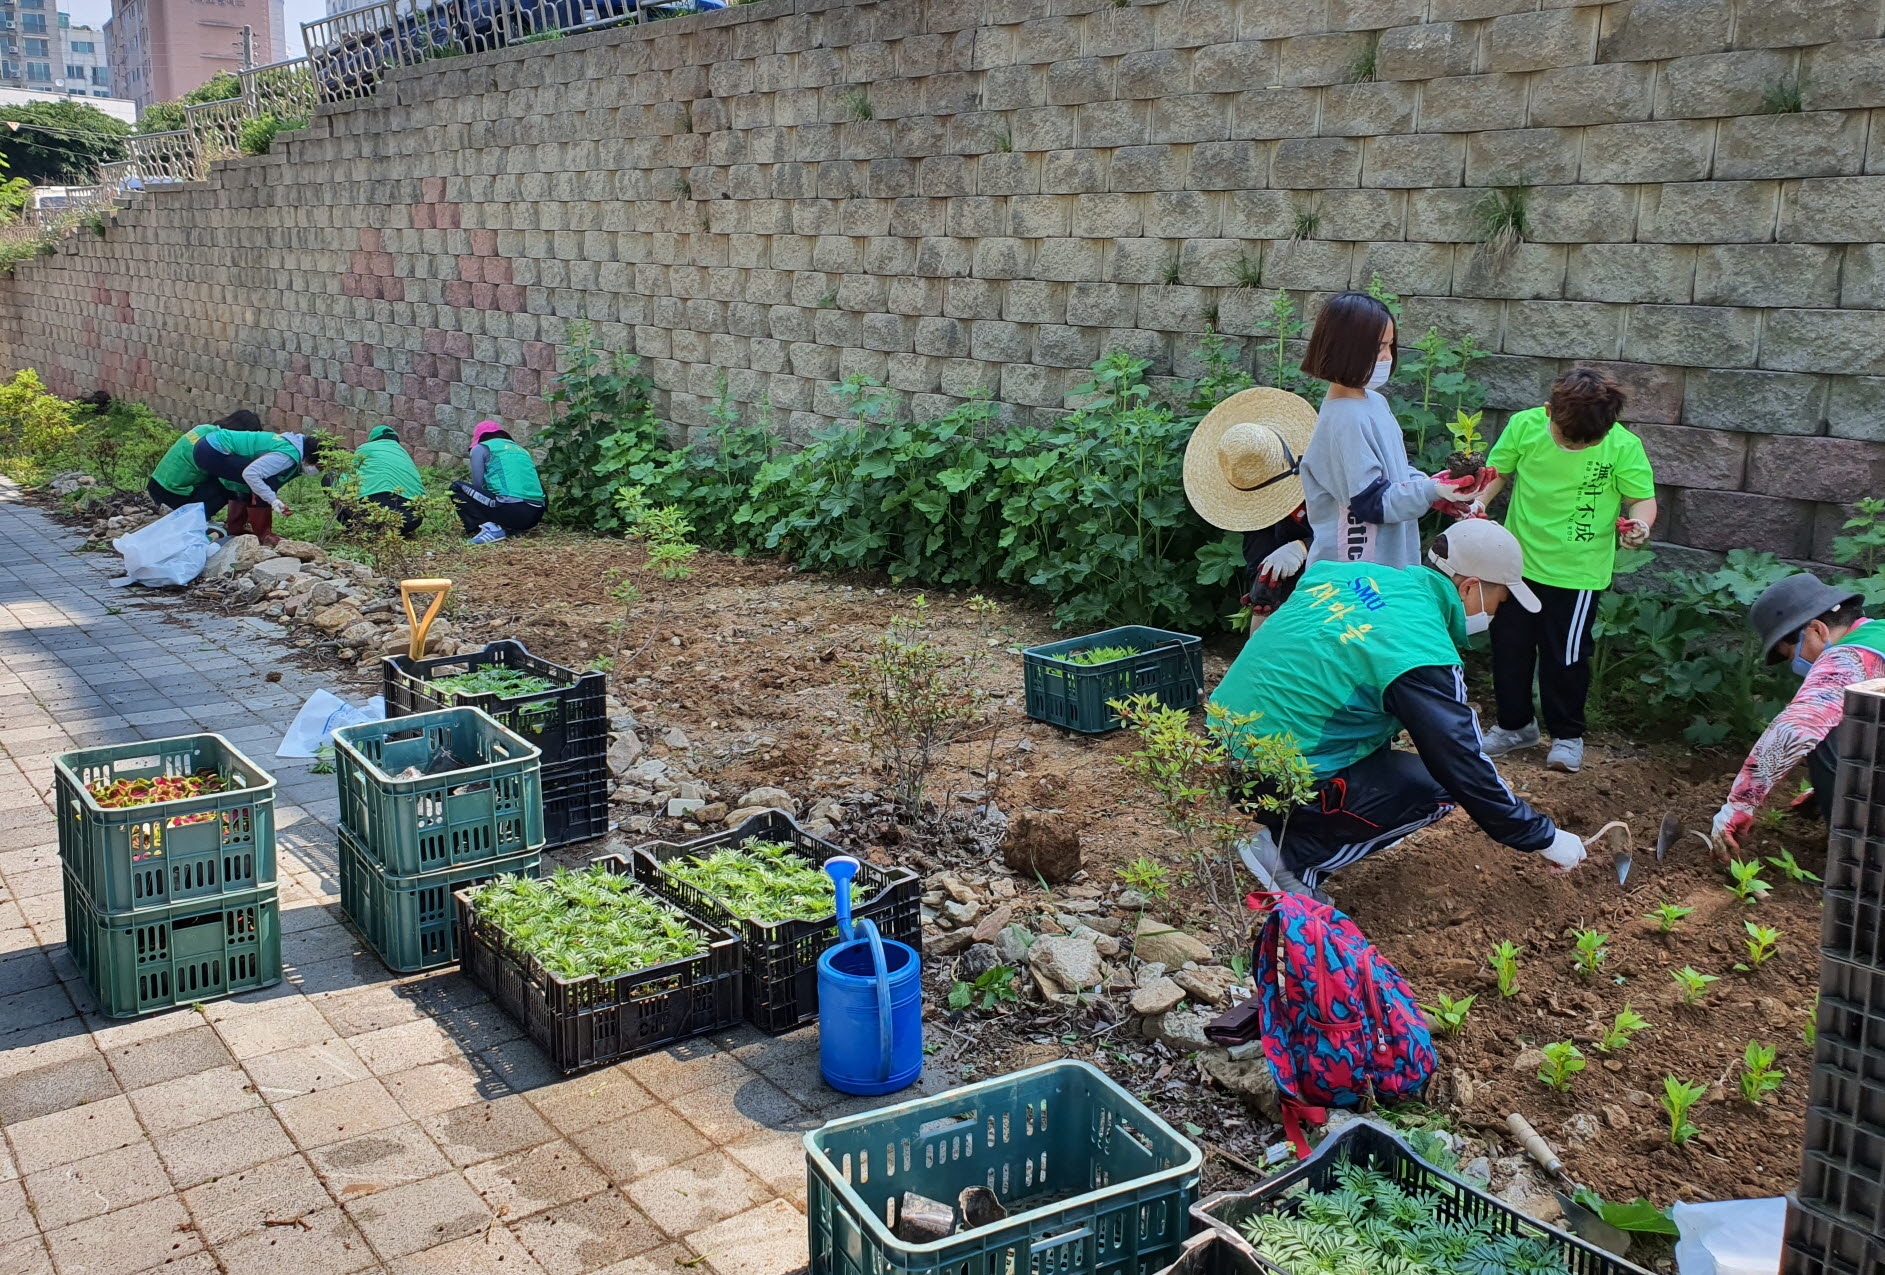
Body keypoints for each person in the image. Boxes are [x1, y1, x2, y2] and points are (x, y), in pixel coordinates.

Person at [1215, 518, 1588, 899]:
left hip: (1218, 749)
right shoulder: (1420, 651)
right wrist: (1542, 837)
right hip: (1273, 775)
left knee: (1368, 719)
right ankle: (1290, 858)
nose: (1496, 614)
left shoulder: (1353, 575)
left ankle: (1316, 826)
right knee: (1440, 784)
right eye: (1499, 602)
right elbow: (1462, 764)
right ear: (1471, 588)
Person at [1476, 368, 1658, 774]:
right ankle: (1514, 726)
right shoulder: (1524, 426)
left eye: (1587, 442)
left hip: (1577, 574)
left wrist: (1640, 526)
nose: (1575, 447)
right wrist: (1479, 502)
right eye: (1566, 438)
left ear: (1610, 425)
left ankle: (1567, 735)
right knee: (1509, 647)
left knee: (1567, 656)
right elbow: (1499, 473)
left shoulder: (1624, 446)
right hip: (1515, 564)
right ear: (1547, 412)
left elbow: (1640, 499)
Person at [1297, 292, 1482, 569]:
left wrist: (1436, 490)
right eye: (1378, 347)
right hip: (1358, 574)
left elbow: (1393, 474)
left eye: (1390, 346)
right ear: (1346, 349)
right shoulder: (1344, 420)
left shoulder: (1374, 402)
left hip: (1386, 566)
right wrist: (1431, 491)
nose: (1386, 357)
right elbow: (1372, 503)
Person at [1710, 574, 1884, 850]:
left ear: (1817, 630)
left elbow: (1797, 730)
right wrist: (1832, 785)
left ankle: (1862, 856)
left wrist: (1740, 804)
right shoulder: (1878, 640)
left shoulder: (1848, 657)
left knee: (1823, 735)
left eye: (1793, 653)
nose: (1798, 665)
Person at [1181, 386, 1319, 623]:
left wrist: (1305, 546)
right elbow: (1259, 554)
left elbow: (1359, 537)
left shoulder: (1331, 481)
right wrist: (1263, 592)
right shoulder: (1259, 520)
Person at [191, 424, 324, 545]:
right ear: (311, 458)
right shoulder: (287, 456)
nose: (318, 471)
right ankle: (264, 535)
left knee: (247, 483)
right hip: (215, 450)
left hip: (207, 446)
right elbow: (251, 474)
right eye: (319, 466)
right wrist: (272, 500)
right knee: (265, 481)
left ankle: (236, 528)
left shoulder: (291, 444)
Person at [146, 410, 265, 517]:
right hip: (171, 495)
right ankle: (195, 519)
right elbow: (231, 482)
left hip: (155, 485)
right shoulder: (221, 446)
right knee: (229, 488)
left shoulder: (203, 429)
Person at [451, 420, 546, 544]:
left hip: (512, 510)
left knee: (457, 488)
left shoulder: (480, 448)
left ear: (479, 438)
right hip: (535, 515)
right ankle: (509, 528)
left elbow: (478, 484)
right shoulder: (521, 450)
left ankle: (488, 528)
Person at [341, 424, 426, 538]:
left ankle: (355, 528)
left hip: (376, 511)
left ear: (372, 440)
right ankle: (393, 531)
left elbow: (347, 476)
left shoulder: (365, 448)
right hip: (413, 519)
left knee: (331, 478)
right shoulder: (403, 454)